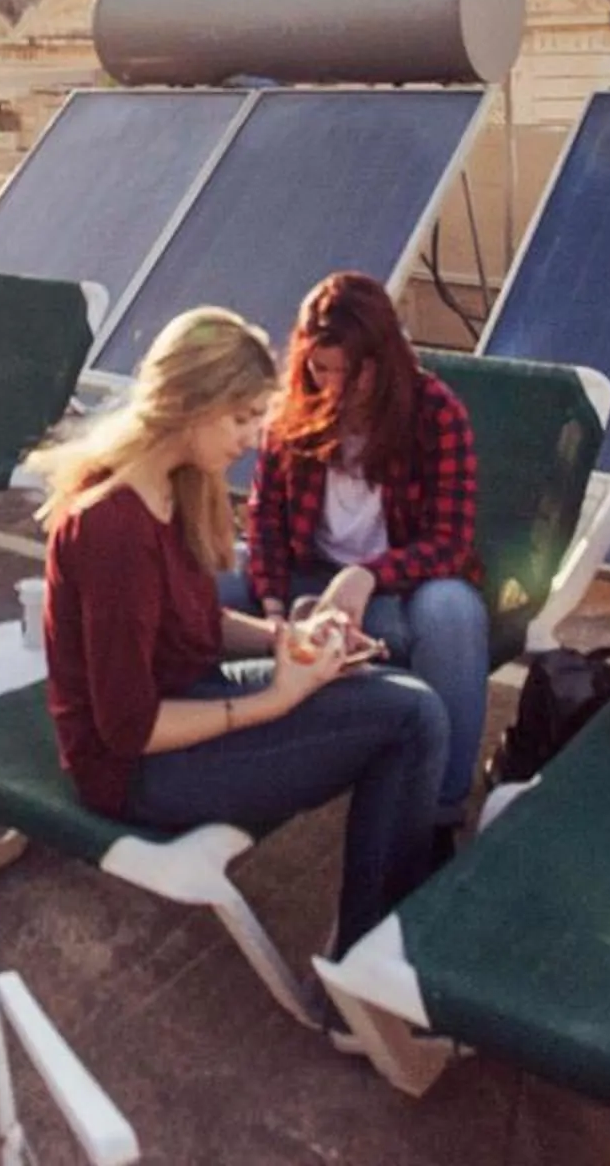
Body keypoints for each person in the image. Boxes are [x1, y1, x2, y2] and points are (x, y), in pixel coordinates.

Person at [37, 306, 447, 964]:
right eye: (243, 418)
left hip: (190, 701)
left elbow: (198, 622)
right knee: (412, 717)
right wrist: (274, 701)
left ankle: (377, 938)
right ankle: (370, 966)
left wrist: (291, 641)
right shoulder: (111, 528)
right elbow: (127, 729)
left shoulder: (174, 488)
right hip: (137, 770)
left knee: (389, 689)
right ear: (190, 404)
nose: (256, 438)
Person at [229, 272, 489, 840]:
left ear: (382, 360)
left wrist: (366, 576)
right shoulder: (293, 412)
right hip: (302, 585)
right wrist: (272, 609)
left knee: (454, 612)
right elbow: (265, 519)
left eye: (351, 372)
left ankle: (439, 813)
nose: (335, 388)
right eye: (321, 370)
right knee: (200, 584)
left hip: (399, 594)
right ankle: (206, 744)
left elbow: (449, 543)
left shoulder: (436, 414)